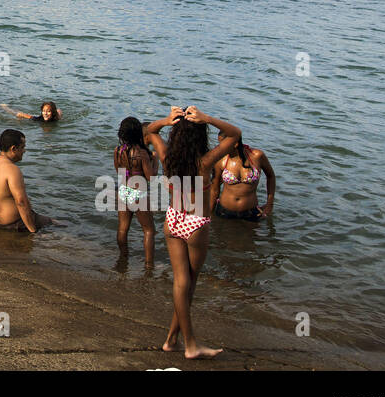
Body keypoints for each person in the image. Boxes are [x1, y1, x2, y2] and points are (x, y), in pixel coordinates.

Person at [144, 105, 243, 360]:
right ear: (200, 136)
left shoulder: (167, 156)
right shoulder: (205, 161)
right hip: (196, 222)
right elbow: (235, 134)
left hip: (173, 219)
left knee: (181, 281)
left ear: (176, 136)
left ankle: (171, 339)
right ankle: (190, 345)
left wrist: (167, 120)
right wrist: (207, 118)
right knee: (189, 282)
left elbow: (149, 131)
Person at [0, 129, 54, 231]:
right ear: (13, 148)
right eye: (22, 147)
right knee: (54, 223)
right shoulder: (12, 170)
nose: (24, 151)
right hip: (13, 223)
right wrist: (32, 230)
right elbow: (21, 202)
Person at [114, 116, 157, 265]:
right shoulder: (142, 153)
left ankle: (123, 257)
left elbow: (119, 171)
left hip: (123, 190)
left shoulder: (118, 151)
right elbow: (151, 177)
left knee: (122, 229)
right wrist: (155, 161)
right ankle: (149, 265)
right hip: (139, 194)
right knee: (149, 230)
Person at [212, 135, 275, 221]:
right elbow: (214, 190)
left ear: (235, 144)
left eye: (223, 144)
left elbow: (271, 176)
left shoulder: (257, 156)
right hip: (224, 211)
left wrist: (269, 205)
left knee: (251, 234)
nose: (219, 147)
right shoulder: (221, 160)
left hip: (251, 212)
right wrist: (208, 215)